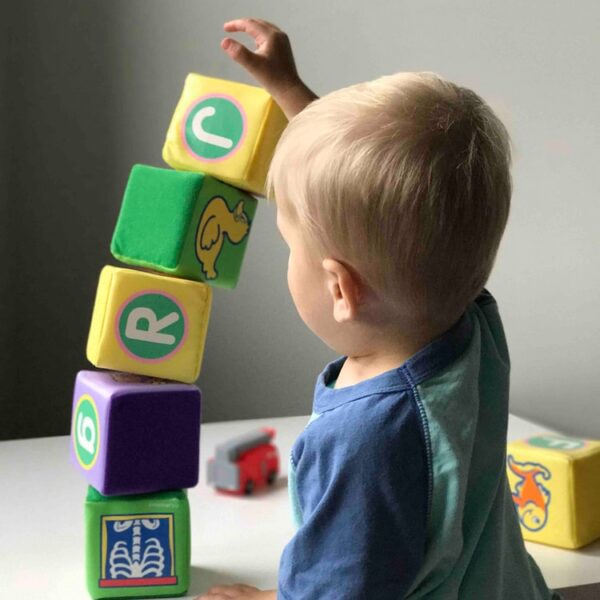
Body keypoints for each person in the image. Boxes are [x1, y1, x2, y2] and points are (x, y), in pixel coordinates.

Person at [197, 17, 561, 600]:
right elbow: (391, 211)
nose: (289, 253)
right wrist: (293, 96)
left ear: (341, 290)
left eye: (292, 246)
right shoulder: (466, 320)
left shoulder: (366, 440)